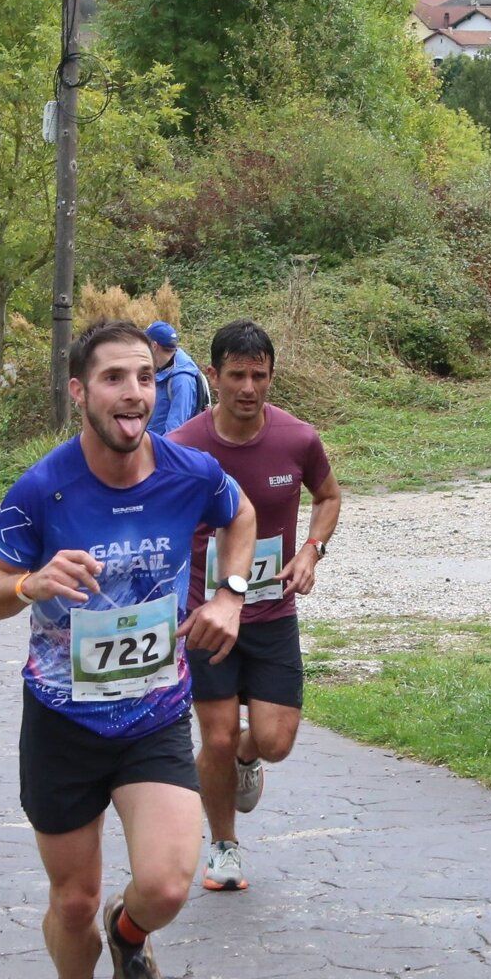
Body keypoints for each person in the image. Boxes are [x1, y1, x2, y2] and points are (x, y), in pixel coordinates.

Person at [0, 320, 258, 979]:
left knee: (161, 886)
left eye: (145, 378)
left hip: (153, 714)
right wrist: (31, 582)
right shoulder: (43, 489)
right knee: (73, 899)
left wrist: (229, 592)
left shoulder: (189, 472)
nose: (134, 394)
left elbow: (241, 513)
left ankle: (130, 940)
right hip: (61, 722)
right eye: (115, 379)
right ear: (79, 392)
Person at [169, 319, 342, 893]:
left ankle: (249, 756)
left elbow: (329, 495)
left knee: (275, 742)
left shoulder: (297, 439)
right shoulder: (184, 446)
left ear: (271, 376)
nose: (249, 387)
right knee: (214, 736)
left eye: (260, 376)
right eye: (237, 375)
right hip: (207, 616)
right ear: (213, 376)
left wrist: (312, 550)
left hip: (271, 614)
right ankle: (222, 847)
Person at [145, 321, 208, 435]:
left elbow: (175, 430)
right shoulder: (161, 368)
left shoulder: (182, 380)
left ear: (154, 346)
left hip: (162, 448)